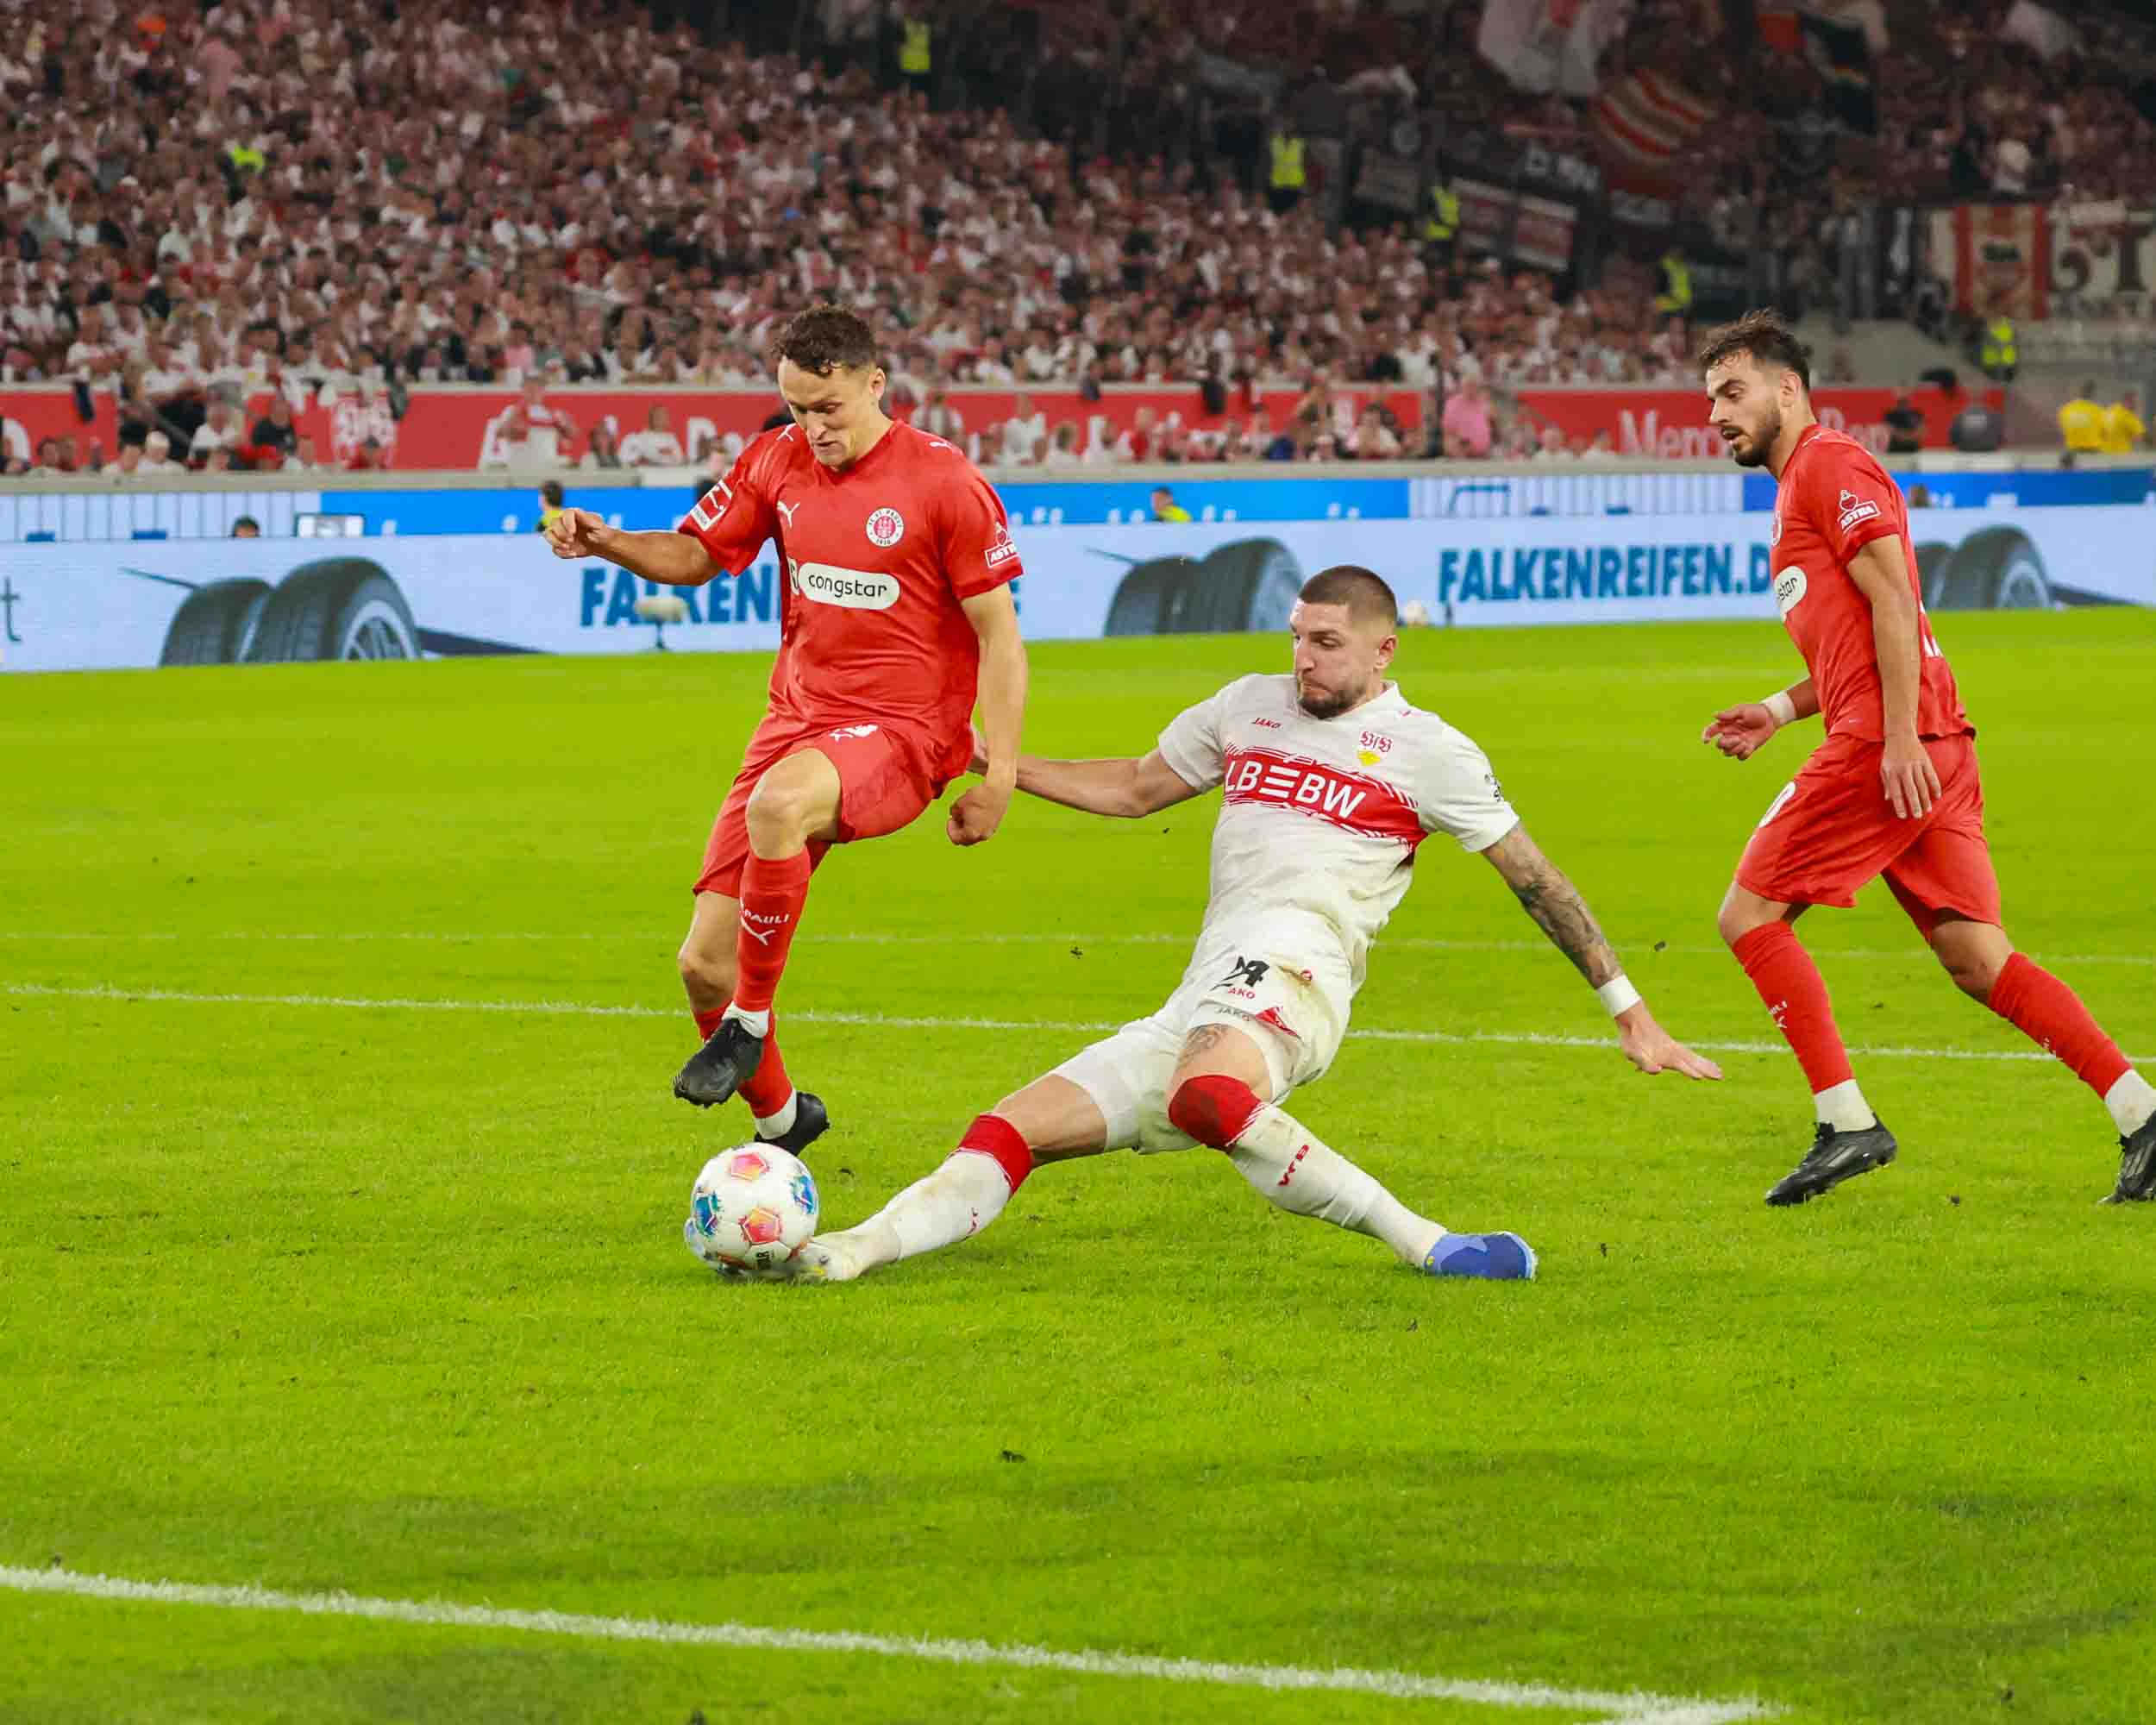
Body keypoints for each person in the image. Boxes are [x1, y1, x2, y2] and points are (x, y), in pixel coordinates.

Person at [786, 565, 1721, 1285]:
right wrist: (997, 762)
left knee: (1207, 1097)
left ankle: (1434, 1246)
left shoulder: (1430, 752)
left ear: (1384, 652)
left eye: (1327, 642)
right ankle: (849, 1251)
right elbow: (1138, 787)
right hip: (1207, 986)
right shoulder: (1248, 705)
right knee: (1008, 1127)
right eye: (1297, 636)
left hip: (1299, 969)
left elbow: (1537, 881)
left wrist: (1630, 1012)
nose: (1304, 657)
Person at [543, 304, 1029, 1151]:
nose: (814, 427)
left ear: (874, 384)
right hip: (795, 721)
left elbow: (1001, 636)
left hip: (904, 731)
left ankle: (750, 1022)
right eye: (798, 408)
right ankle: (781, 1119)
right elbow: (698, 556)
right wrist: (607, 540)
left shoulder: (944, 482)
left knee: (777, 808)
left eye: (828, 407)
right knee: (703, 965)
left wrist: (1002, 776)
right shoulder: (777, 457)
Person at [1697, 310, 2156, 1206]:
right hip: (1926, 742)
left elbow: (1897, 601)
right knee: (1978, 958)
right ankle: (2141, 1111)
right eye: (1711, 398)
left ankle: (1846, 1122)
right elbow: (1857, 639)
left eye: (1732, 392)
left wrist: (1898, 736)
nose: (1716, 414)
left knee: (1747, 915)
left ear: (1787, 389)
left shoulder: (1827, 464)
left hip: (1887, 744)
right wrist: (1779, 709)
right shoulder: (1798, 488)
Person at [2057, 381, 2106, 455]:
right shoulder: (2098, 410)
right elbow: (2104, 432)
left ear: (2079, 392)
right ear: (2093, 394)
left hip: (2072, 451)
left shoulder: (2066, 409)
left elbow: (2062, 428)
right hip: (2092, 450)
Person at [2100, 387, 2147, 455]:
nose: (2137, 404)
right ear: (2129, 401)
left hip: (2104, 453)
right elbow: (2140, 436)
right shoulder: (2129, 416)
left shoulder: (2111, 409)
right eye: (2136, 402)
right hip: (2121, 455)